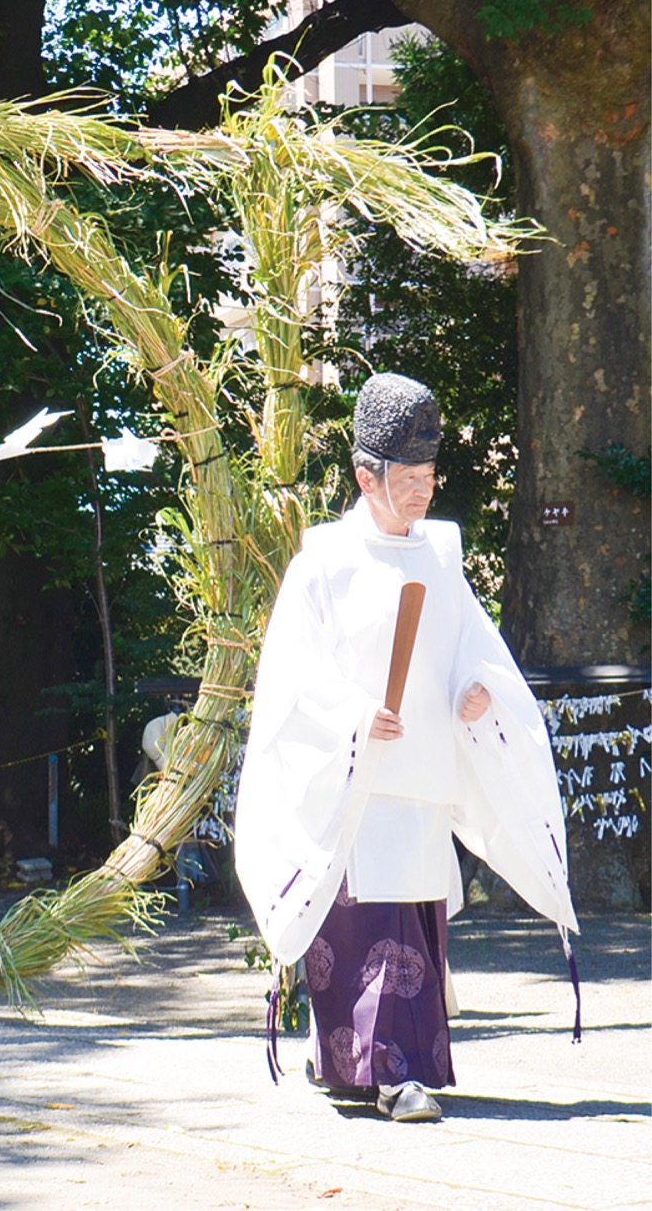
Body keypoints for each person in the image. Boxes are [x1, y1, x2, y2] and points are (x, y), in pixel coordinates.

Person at [234, 373, 577, 1123]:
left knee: (409, 930)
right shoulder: (322, 561)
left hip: (421, 778)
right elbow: (291, 676)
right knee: (369, 931)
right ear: (368, 476)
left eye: (429, 478)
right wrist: (355, 715)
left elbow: (467, 651)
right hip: (354, 785)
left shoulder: (441, 554)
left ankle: (372, 1065)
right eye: (409, 479)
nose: (423, 492)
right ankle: (388, 1076)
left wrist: (471, 693)